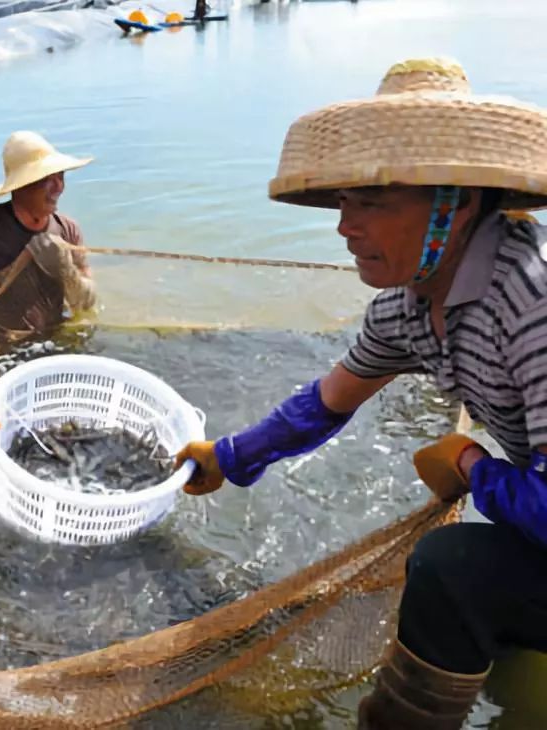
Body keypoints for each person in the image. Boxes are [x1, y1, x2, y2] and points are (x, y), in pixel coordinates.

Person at [174, 57, 547, 729]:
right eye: (344, 203)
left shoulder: (531, 301)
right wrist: (228, 457)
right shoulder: (406, 308)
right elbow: (325, 404)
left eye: (372, 203)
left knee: (448, 567)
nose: (346, 227)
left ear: (454, 201)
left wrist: (471, 466)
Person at [0, 131, 96, 352]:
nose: (58, 187)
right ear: (20, 186)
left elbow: (87, 302)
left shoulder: (68, 231)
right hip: (6, 355)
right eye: (46, 179)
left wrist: (66, 269)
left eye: (60, 176)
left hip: (57, 343)